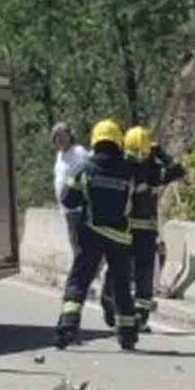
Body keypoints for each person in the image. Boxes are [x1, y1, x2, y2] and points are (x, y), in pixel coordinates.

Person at [55, 119, 138, 351]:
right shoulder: (128, 172)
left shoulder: (86, 169)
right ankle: (128, 334)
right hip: (120, 238)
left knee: (79, 281)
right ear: (118, 142)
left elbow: (68, 198)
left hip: (90, 235)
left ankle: (68, 327)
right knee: (121, 286)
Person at [101, 126, 185, 332]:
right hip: (144, 233)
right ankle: (139, 314)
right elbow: (178, 170)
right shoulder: (154, 170)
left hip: (122, 230)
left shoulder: (120, 166)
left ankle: (111, 304)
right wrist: (161, 154)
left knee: (119, 270)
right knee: (143, 273)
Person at [51, 122, 88, 252]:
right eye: (56, 136)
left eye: (62, 135)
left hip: (77, 207)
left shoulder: (79, 152)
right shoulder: (60, 155)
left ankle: (82, 271)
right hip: (67, 209)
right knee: (74, 242)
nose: (59, 139)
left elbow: (84, 175)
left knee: (78, 244)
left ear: (69, 136)